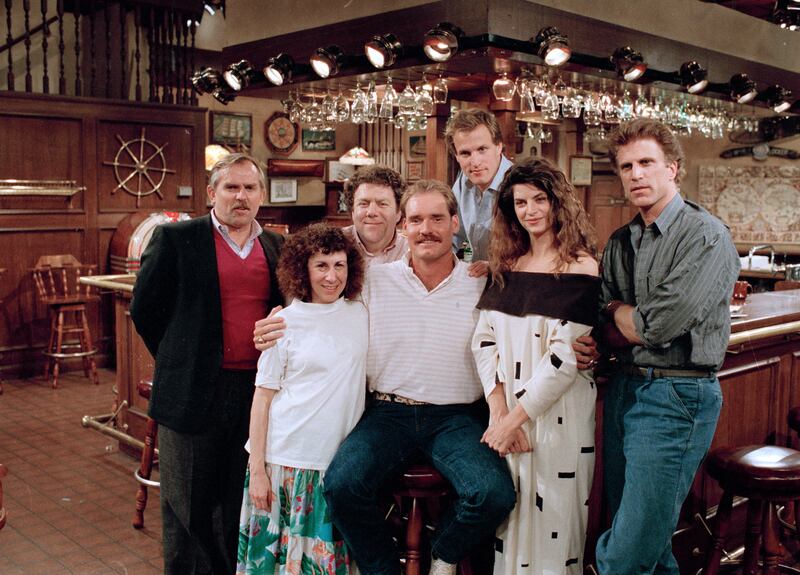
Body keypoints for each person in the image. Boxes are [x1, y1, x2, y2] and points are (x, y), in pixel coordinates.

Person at [326, 180, 516, 575]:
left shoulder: (482, 282)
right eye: (415, 219)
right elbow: (323, 313)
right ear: (402, 227)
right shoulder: (373, 279)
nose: (425, 228)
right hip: (387, 413)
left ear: (455, 223)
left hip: (457, 418)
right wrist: (282, 320)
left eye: (435, 218)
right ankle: (385, 571)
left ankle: (441, 554)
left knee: (493, 494)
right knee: (342, 486)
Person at [595, 118, 739, 575]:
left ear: (672, 168)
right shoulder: (621, 241)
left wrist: (622, 311)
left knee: (626, 554)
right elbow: (604, 319)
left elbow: (657, 325)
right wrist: (621, 314)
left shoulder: (705, 235)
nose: (636, 174)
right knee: (651, 551)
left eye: (646, 163)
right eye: (626, 166)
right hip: (624, 389)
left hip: (678, 395)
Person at [130, 153, 284, 575]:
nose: (241, 196)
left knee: (240, 498)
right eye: (231, 187)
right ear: (212, 193)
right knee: (190, 506)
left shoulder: (277, 246)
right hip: (193, 389)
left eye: (250, 188)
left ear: (261, 196)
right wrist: (181, 358)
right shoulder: (176, 239)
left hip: (256, 393)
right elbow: (145, 311)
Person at [472, 157, 600, 575]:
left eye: (539, 200)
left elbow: (564, 360)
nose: (530, 211)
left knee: (556, 528)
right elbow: (483, 341)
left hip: (558, 418)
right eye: (520, 202)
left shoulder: (580, 266)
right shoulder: (506, 267)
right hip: (508, 417)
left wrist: (514, 421)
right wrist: (499, 415)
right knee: (511, 524)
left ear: (558, 202)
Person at [237, 223, 367, 575]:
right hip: (284, 463)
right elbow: (262, 400)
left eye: (339, 265)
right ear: (302, 270)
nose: (331, 276)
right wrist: (258, 470)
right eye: (321, 265)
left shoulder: (361, 313)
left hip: (333, 467)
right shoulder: (284, 323)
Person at [446, 107, 514, 276]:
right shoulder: (463, 181)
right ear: (456, 156)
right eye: (465, 153)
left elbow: (542, 251)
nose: (475, 162)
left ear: (499, 147)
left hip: (519, 284)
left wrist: (498, 266)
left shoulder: (521, 183)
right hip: (478, 282)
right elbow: (456, 238)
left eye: (482, 149)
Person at [342, 164, 408, 265]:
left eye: (382, 204)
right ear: (352, 211)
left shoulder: (412, 250)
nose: (372, 212)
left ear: (399, 212)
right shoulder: (333, 243)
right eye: (363, 204)